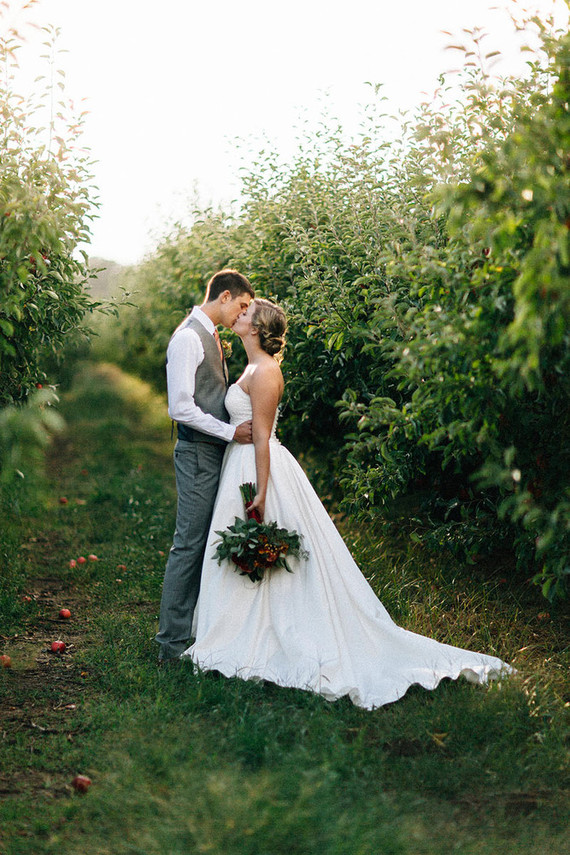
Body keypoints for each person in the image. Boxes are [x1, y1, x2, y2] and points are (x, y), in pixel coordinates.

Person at [181, 299, 514, 709]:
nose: (241, 313)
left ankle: (271, 631)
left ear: (257, 327)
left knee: (270, 552)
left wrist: (263, 493)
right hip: (240, 465)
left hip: (259, 469)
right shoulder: (249, 367)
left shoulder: (266, 371)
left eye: (248, 312)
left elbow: (264, 437)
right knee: (239, 552)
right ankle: (235, 628)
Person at [155, 269, 255, 665]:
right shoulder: (187, 338)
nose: (243, 315)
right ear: (225, 296)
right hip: (198, 454)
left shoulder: (209, 334)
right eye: (243, 306)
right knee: (190, 544)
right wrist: (230, 432)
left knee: (202, 540)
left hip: (211, 453)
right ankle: (171, 645)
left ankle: (194, 629)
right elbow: (179, 407)